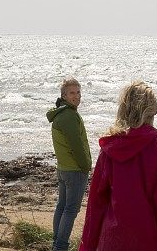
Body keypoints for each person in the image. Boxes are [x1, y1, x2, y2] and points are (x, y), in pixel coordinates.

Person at [79, 81, 157, 251]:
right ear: (154, 109)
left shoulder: (110, 148)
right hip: (153, 243)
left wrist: (87, 247)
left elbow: (95, 206)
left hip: (112, 242)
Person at [47, 77, 92, 251]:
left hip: (63, 168)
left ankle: (57, 244)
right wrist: (86, 166)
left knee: (62, 206)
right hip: (74, 170)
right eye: (72, 93)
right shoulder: (69, 116)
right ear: (64, 96)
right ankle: (60, 246)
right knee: (71, 210)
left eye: (78, 92)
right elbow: (77, 146)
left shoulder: (61, 113)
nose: (77, 96)